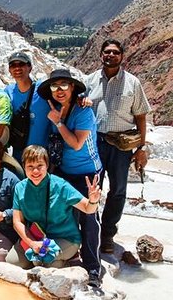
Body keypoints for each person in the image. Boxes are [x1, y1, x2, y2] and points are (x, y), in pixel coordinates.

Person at [84, 39, 151, 254]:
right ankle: (90, 231)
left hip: (121, 145)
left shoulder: (133, 83)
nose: (110, 55)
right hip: (95, 143)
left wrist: (141, 148)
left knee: (118, 190)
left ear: (122, 56)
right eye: (107, 52)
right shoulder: (90, 81)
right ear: (101, 55)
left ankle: (108, 234)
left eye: (115, 52)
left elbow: (140, 116)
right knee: (92, 188)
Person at [38, 68, 103, 286]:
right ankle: (72, 254)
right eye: (55, 86)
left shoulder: (83, 111)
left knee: (89, 217)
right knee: (67, 215)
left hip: (87, 173)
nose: (59, 90)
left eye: (64, 85)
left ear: (73, 87)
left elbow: (76, 144)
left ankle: (93, 267)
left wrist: (58, 122)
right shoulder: (55, 108)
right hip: (64, 171)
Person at [6, 145, 101, 271]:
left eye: (40, 166)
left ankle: (68, 258)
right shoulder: (20, 188)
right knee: (11, 263)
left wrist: (93, 201)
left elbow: (88, 209)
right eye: (30, 167)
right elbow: (17, 221)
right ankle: (55, 260)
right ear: (24, 167)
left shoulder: (60, 185)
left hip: (64, 238)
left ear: (47, 165)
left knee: (42, 263)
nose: (35, 171)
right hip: (36, 238)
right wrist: (32, 243)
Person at [5, 51, 50, 152]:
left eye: (21, 64)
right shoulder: (8, 91)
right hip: (19, 153)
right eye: (13, 65)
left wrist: (81, 98)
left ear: (30, 67)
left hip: (41, 156)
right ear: (9, 70)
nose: (17, 68)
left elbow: (63, 98)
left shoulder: (43, 89)